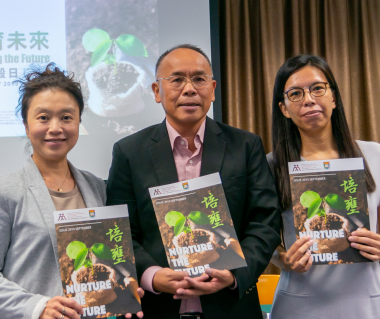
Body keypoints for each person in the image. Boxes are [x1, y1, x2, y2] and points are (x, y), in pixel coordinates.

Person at [106, 44, 282, 319]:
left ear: (212, 89)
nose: (189, 89)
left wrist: (233, 274)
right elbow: (121, 231)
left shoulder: (245, 145)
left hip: (231, 308)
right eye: (176, 80)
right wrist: (152, 276)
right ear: (156, 91)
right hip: (158, 308)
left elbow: (265, 222)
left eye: (199, 79)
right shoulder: (129, 151)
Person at [0, 64, 144, 319]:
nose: (55, 127)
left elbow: (106, 259)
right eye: (43, 117)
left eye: (66, 117)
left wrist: (124, 290)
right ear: (27, 126)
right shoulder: (4, 192)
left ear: (79, 122)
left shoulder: (98, 187)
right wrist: (38, 307)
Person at [267, 55, 380, 318]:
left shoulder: (375, 155)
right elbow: (266, 240)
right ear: (284, 108)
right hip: (300, 302)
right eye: (295, 93)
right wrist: (283, 259)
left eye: (318, 88)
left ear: (334, 97)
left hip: (368, 301)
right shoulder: (270, 165)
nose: (308, 99)